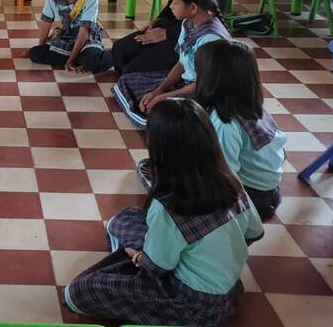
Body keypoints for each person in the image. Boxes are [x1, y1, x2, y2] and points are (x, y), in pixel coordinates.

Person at [65, 98, 264, 326]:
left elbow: (156, 269)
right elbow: (254, 233)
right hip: (228, 290)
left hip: (191, 305)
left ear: (160, 148)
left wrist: (136, 256)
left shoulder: (169, 206)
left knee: (78, 292)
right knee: (124, 219)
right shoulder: (231, 180)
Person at [113, 0, 231, 129]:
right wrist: (160, 89)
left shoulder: (211, 38)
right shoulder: (188, 23)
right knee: (126, 80)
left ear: (193, 8)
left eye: (175, 3)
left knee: (161, 111)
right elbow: (181, 63)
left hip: (204, 94)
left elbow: (202, 86)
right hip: (185, 83)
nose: (172, 7)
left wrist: (164, 96)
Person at [196, 39, 286, 220]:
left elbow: (226, 175)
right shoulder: (251, 106)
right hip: (269, 192)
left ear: (211, 79)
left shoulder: (225, 122)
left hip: (252, 199)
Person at [24, 0, 111, 72]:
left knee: (92, 62)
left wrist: (70, 61)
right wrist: (41, 47)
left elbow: (84, 32)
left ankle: (110, 55)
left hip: (86, 39)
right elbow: (46, 22)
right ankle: (80, 59)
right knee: (36, 54)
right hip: (67, 36)